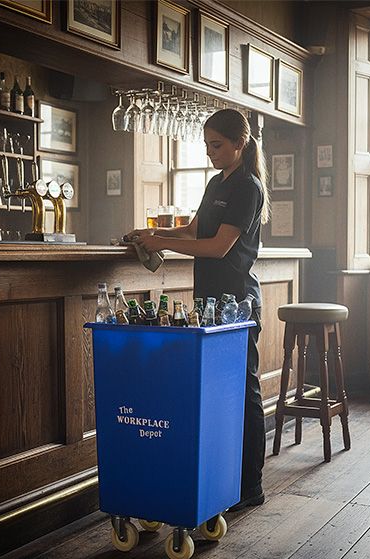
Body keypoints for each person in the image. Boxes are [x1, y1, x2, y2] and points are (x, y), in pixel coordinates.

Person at [126, 108, 270, 512]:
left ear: (240, 143)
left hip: (237, 302)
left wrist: (162, 244)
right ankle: (222, 480)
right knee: (218, 390)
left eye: (216, 145)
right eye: (206, 145)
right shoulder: (215, 182)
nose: (209, 152)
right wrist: (153, 233)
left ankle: (251, 486)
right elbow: (193, 231)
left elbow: (218, 247)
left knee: (243, 389)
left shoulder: (248, 187)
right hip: (209, 301)